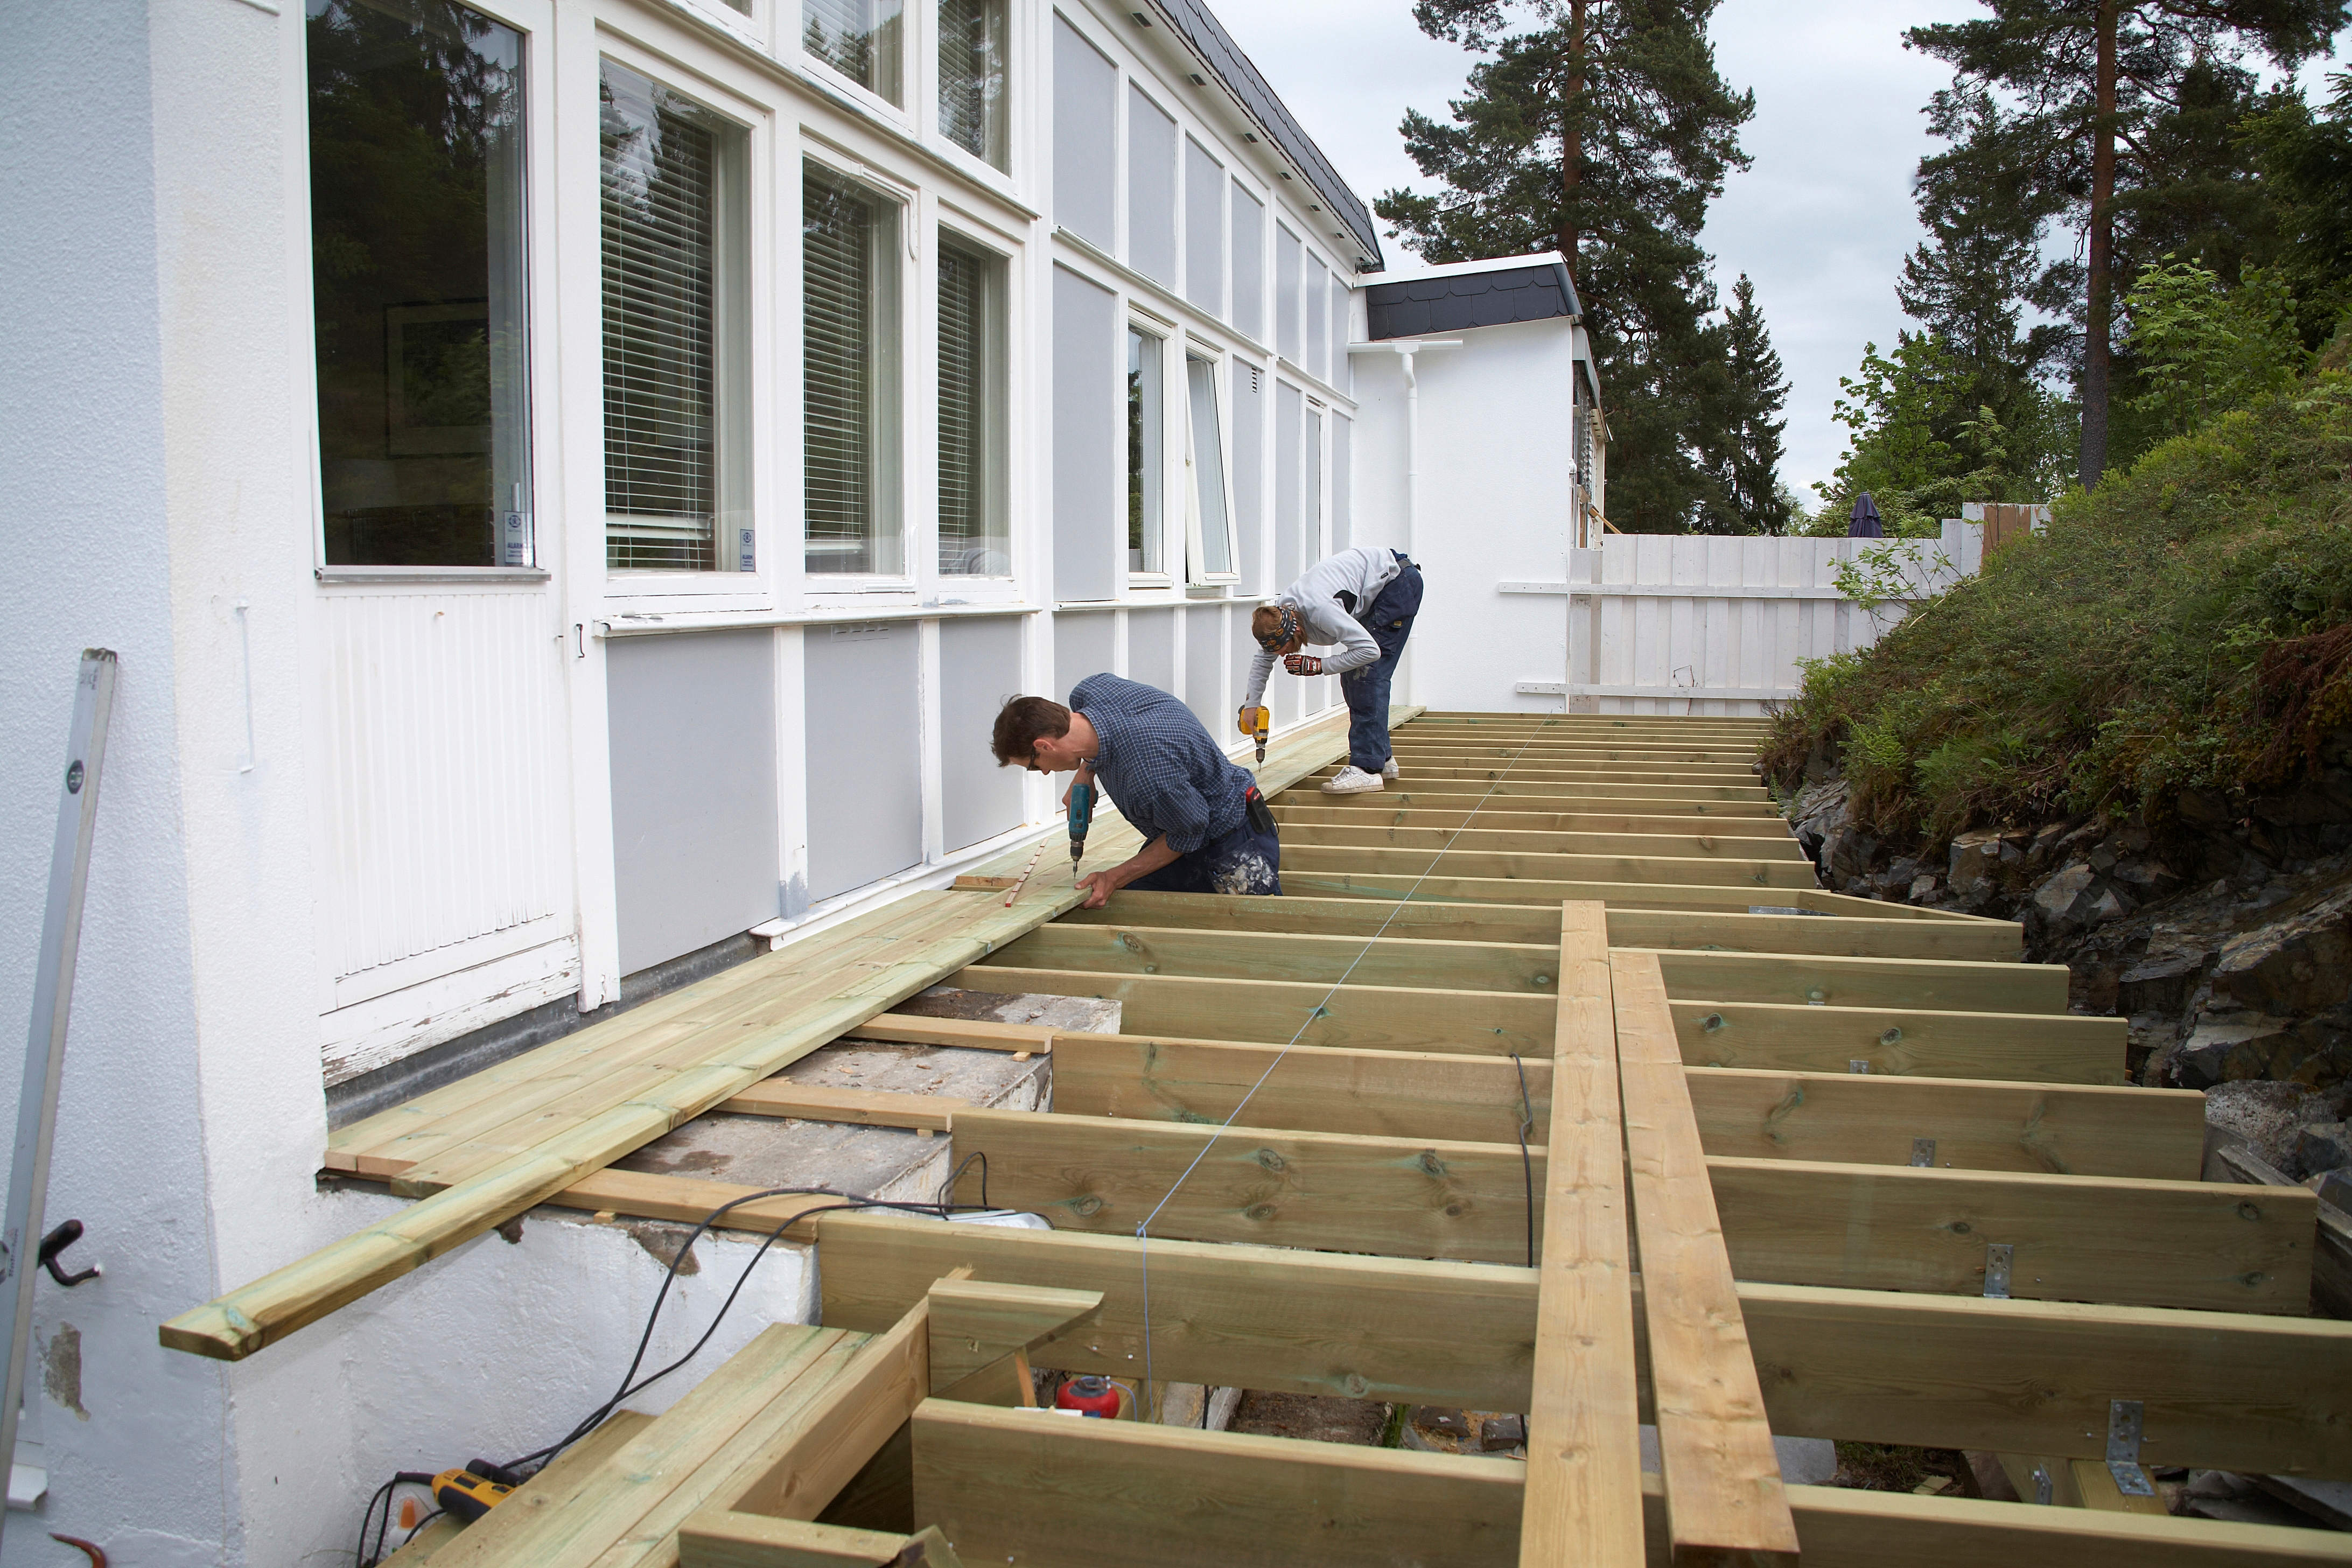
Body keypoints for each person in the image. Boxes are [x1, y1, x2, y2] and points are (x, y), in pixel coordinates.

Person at [991, 675, 1280, 910]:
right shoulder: (1091, 690)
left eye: (1033, 765)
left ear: (1044, 746)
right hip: (1189, 814)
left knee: (1260, 929)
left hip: (1232, 840)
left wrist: (1113, 877)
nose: (1042, 772)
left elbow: (1189, 832)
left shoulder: (1147, 774)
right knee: (1134, 906)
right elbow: (1099, 731)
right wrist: (1085, 775)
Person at [1242, 545, 1424, 793]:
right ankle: (1382, 759)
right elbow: (1264, 659)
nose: (1283, 654)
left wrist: (1319, 666)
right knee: (1354, 675)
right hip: (1381, 585)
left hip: (1397, 585)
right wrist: (1252, 704)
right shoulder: (1280, 616)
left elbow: (1371, 651)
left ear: (1295, 631)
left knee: (1367, 675)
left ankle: (1367, 770)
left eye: (1284, 649)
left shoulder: (1320, 610)